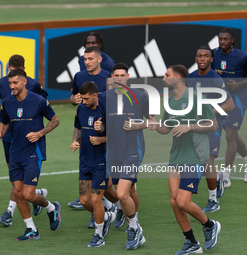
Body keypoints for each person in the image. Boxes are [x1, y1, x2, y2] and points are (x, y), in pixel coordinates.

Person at [156, 65, 221, 254]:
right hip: (176, 156)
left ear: (177, 78)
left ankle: (209, 225)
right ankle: (192, 243)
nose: (163, 78)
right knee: (174, 201)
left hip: (194, 156)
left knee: (183, 202)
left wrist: (189, 126)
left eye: (166, 75)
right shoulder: (170, 101)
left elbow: (212, 124)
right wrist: (151, 124)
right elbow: (166, 128)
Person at [0, 68, 61, 241]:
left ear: (24, 82)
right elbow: (5, 122)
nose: (12, 86)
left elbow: (55, 120)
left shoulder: (38, 101)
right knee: (18, 192)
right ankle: (31, 229)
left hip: (33, 152)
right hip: (15, 152)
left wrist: (40, 133)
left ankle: (52, 208)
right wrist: (0, 134)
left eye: (15, 83)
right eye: (10, 83)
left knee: (29, 194)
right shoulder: (7, 102)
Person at [96, 62, 154, 250]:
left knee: (122, 193)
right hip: (113, 152)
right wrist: (100, 127)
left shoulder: (140, 96)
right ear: (112, 77)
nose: (119, 78)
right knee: (128, 192)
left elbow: (152, 121)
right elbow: (103, 123)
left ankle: (134, 228)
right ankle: (133, 224)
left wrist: (139, 125)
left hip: (133, 150)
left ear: (128, 76)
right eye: (116, 75)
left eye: (123, 75)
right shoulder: (104, 97)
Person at [0, 54, 48, 227]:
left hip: (28, 139)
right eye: (9, 71)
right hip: (9, 137)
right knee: (16, 178)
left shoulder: (34, 85)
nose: (12, 80)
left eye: (15, 73)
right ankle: (37, 195)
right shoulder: (2, 83)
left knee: (18, 183)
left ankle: (9, 212)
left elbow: (44, 104)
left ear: (23, 71)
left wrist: (38, 130)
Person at [188, 45, 234, 212]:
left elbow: (229, 104)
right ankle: (218, 178)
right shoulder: (190, 78)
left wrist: (209, 112)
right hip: (194, 126)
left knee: (208, 161)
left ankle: (213, 200)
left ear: (211, 59)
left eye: (206, 56)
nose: (202, 59)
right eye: (199, 56)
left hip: (212, 126)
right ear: (196, 58)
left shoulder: (215, 78)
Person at [71, 81, 116, 247]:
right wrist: (75, 141)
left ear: (96, 95)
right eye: (82, 98)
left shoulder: (106, 111)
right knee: (84, 201)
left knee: (96, 200)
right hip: (84, 161)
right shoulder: (81, 108)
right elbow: (78, 127)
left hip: (101, 162)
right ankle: (106, 217)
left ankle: (99, 235)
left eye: (87, 98)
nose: (84, 101)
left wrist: (101, 139)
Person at [69, 46, 111, 213]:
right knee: (95, 192)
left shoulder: (108, 77)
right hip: (87, 138)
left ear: (99, 59)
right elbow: (73, 99)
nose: (86, 62)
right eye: (84, 59)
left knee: (109, 186)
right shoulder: (79, 77)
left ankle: (121, 209)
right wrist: (74, 100)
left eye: (90, 59)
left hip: (107, 141)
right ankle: (106, 212)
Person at [211, 28, 247, 186]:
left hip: (237, 101)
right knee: (233, 135)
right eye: (220, 39)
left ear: (232, 41)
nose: (222, 42)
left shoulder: (242, 57)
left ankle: (225, 176)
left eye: (225, 39)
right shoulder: (213, 55)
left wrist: (239, 83)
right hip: (220, 101)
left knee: (230, 135)